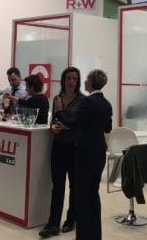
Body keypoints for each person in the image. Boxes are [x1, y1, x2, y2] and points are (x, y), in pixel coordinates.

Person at [54, 69, 112, 240]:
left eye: (86, 79)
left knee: (83, 197)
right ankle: (95, 235)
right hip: (99, 152)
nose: (84, 82)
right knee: (93, 195)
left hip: (85, 153)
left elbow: (72, 122)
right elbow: (107, 127)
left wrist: (59, 111)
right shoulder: (106, 103)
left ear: (92, 82)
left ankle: (84, 235)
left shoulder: (87, 102)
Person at [39, 67, 83, 238]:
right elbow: (53, 121)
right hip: (58, 147)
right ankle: (53, 223)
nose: (71, 81)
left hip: (75, 148)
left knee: (74, 186)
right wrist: (53, 128)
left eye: (74, 78)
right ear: (63, 80)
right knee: (57, 186)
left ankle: (71, 220)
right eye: (69, 78)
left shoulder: (82, 100)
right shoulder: (57, 99)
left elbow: (80, 125)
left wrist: (67, 125)